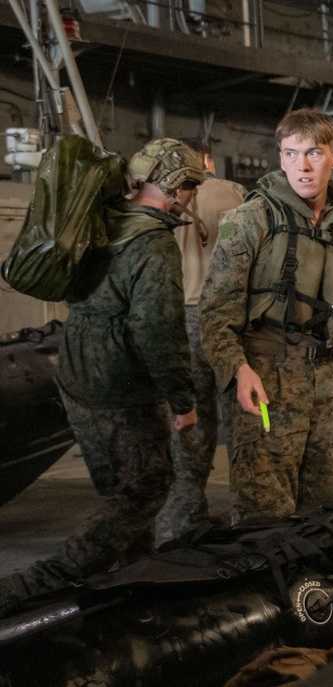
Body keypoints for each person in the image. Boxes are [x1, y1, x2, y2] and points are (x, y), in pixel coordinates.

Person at [0, 138, 203, 614]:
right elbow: (158, 329)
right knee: (146, 489)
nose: (192, 195)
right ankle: (37, 583)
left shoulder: (100, 220)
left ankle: (133, 586)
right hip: (120, 386)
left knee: (119, 489)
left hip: (75, 376)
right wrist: (182, 400)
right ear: (175, 185)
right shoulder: (153, 245)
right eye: (190, 185)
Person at [199, 108, 333, 525]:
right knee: (264, 519)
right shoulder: (250, 220)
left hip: (327, 390)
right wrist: (237, 369)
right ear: (280, 158)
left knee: (326, 514)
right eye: (291, 153)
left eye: (314, 153)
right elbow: (215, 314)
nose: (302, 166)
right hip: (266, 386)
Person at [155, 138, 247, 546]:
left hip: (181, 317)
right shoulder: (231, 193)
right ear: (207, 160)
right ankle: (249, 515)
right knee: (242, 420)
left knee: (190, 425)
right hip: (225, 316)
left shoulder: (162, 197)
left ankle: (185, 521)